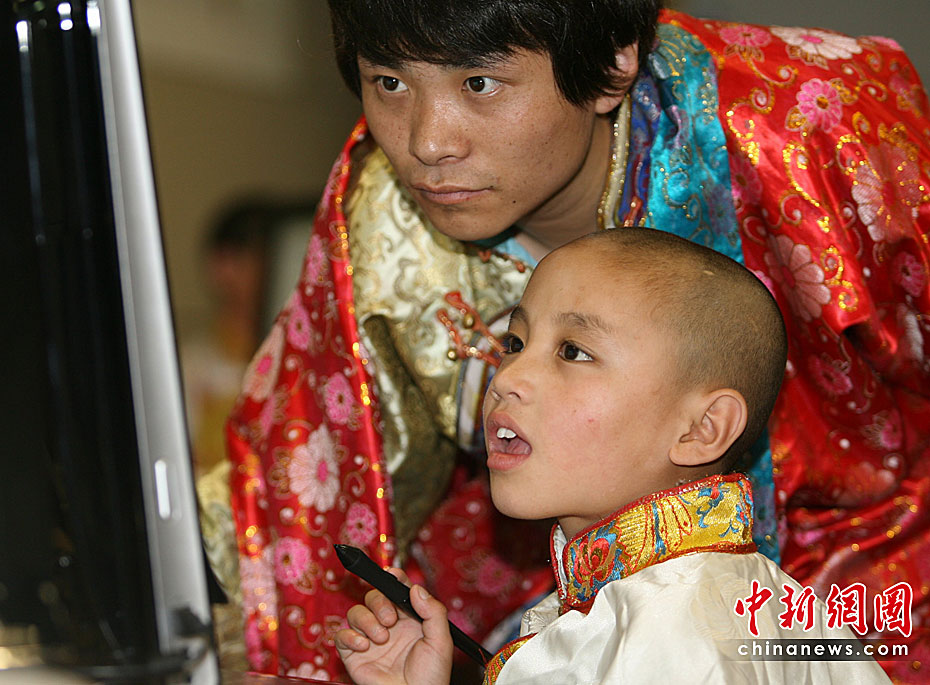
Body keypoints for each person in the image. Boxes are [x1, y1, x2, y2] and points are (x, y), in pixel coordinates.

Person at [220, 1, 930, 681]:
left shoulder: (811, 122)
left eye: (479, 82)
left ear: (615, 64)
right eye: (389, 82)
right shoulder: (383, 224)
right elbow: (305, 464)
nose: (427, 142)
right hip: (573, 595)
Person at [334, 228, 891, 684]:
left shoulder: (679, 632)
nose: (506, 378)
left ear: (702, 428)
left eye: (573, 352)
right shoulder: (706, 601)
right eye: (515, 344)